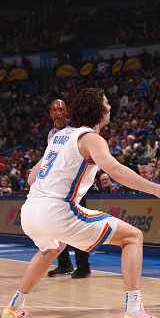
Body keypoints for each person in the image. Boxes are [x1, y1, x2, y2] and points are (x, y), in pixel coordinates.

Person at [0, 88, 160, 318]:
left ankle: (14, 306)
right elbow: (115, 171)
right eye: (106, 103)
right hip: (57, 209)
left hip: (30, 211)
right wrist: (156, 189)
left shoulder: (59, 136)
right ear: (98, 110)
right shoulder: (91, 138)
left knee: (53, 247)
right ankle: (135, 312)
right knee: (133, 237)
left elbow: (32, 177)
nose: (110, 107)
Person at [44, 99, 92, 279]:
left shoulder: (75, 132)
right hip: (58, 188)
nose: (58, 112)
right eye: (54, 109)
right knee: (57, 226)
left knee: (78, 226)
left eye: (61, 109)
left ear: (67, 112)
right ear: (50, 113)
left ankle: (84, 266)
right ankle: (64, 264)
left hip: (77, 185)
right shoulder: (50, 135)